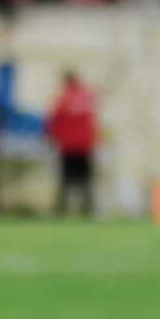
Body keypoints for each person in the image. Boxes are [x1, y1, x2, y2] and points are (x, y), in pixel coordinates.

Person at [45, 69, 97, 216]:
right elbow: (91, 121)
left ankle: (61, 210)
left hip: (67, 145)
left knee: (65, 180)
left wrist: (53, 139)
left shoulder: (62, 99)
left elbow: (54, 122)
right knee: (85, 179)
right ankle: (87, 210)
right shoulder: (87, 97)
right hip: (84, 145)